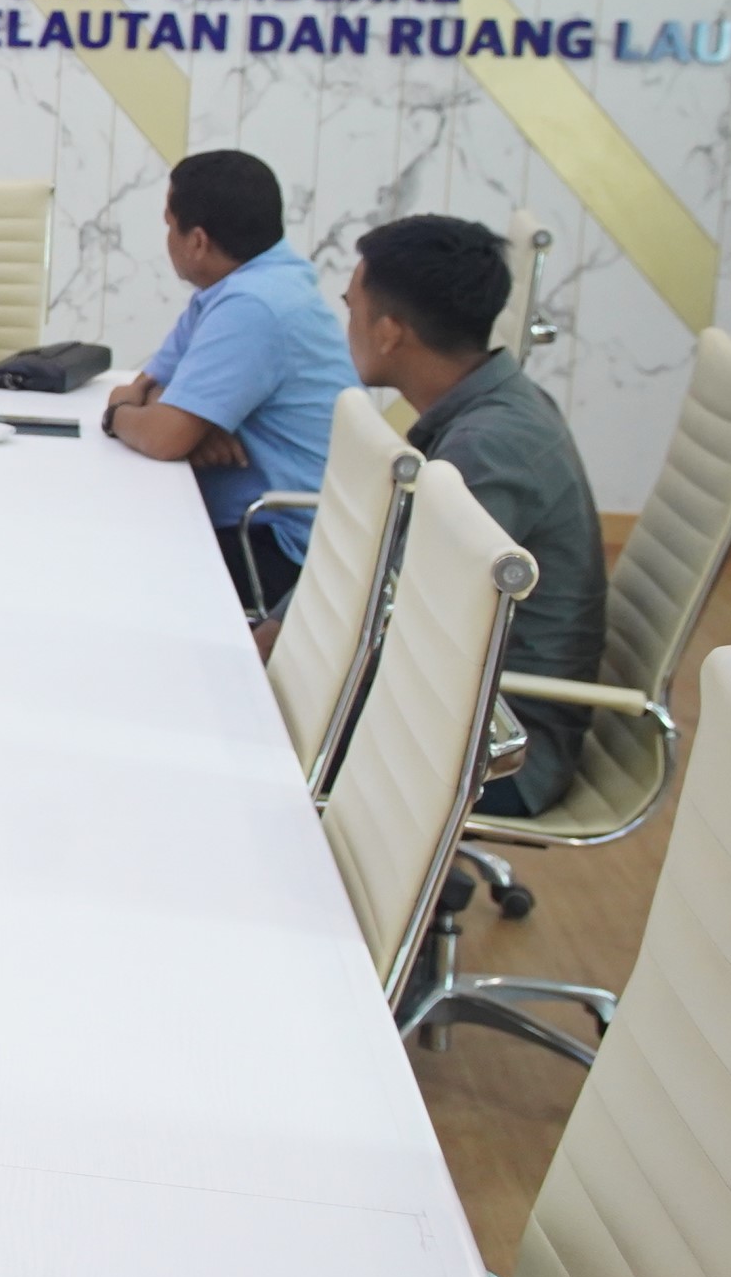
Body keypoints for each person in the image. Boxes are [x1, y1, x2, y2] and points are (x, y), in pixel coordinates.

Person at [342, 216, 607, 814]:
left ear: (388, 333)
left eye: (350, 306)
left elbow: (393, 608)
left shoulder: (488, 449)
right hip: (460, 706)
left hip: (502, 749)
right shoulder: (493, 405)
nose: (347, 325)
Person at [104, 150, 357, 611]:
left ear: (197, 240)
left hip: (275, 547)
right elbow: (151, 382)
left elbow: (159, 434)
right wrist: (176, 419)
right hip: (247, 522)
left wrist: (119, 414)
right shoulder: (239, 285)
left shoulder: (254, 305)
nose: (167, 239)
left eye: (168, 225)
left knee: (107, 568)